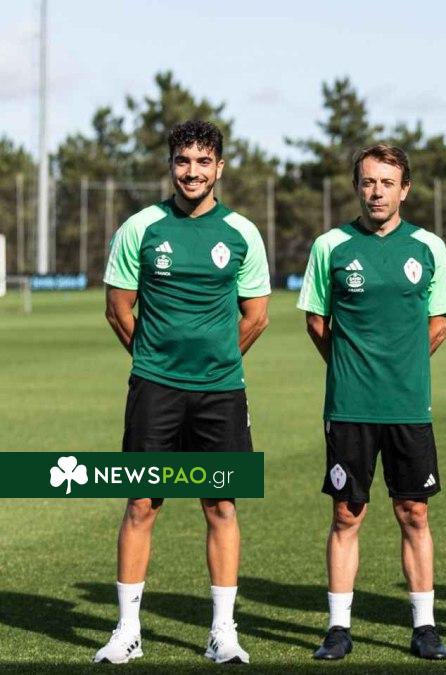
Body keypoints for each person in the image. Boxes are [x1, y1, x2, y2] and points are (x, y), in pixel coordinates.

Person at [95, 120, 270, 664]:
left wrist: (214, 363)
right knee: (141, 503)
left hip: (221, 393)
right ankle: (127, 631)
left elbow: (256, 316)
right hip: (155, 391)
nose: (192, 172)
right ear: (171, 165)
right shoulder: (141, 227)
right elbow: (118, 309)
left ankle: (223, 631)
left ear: (219, 168)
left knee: (220, 505)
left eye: (203, 162)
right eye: (183, 161)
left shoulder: (241, 232)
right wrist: (156, 363)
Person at [297, 143, 446, 661]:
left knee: (414, 513)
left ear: (404, 190)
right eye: (368, 182)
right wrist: (352, 367)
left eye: (387, 183)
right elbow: (317, 321)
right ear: (356, 187)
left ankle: (425, 626)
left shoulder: (428, 247)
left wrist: (400, 367)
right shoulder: (330, 246)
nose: (377, 192)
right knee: (347, 514)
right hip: (350, 407)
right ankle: (338, 629)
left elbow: (439, 323)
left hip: (409, 406)